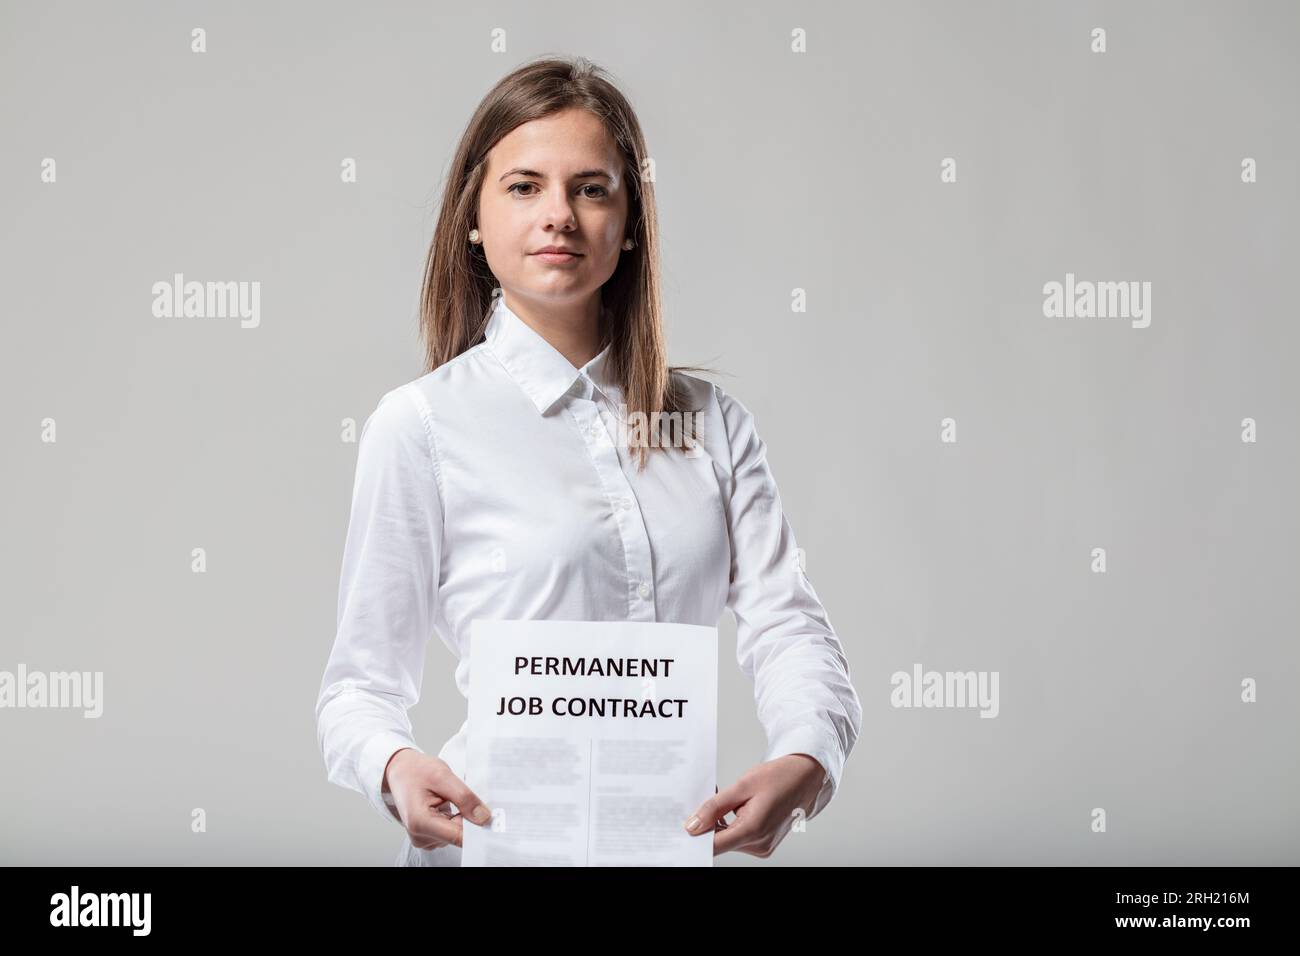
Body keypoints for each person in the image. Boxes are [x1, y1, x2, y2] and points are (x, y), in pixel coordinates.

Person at [315, 55, 862, 866]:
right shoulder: (421, 426)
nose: (559, 216)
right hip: (494, 848)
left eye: (591, 188)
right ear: (473, 215)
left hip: (665, 848)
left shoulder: (713, 425)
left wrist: (808, 759)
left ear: (631, 220)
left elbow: (788, 626)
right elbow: (358, 687)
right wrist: (393, 767)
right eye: (524, 186)